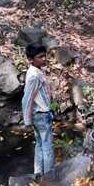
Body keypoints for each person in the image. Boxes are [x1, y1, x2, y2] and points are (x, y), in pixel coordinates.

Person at [22, 43, 54, 175]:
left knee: (40, 144)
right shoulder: (34, 76)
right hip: (41, 115)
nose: (44, 59)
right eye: (40, 57)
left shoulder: (36, 71)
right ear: (31, 60)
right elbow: (27, 99)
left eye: (44, 56)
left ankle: (38, 172)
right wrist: (27, 121)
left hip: (39, 114)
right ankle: (49, 176)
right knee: (47, 147)